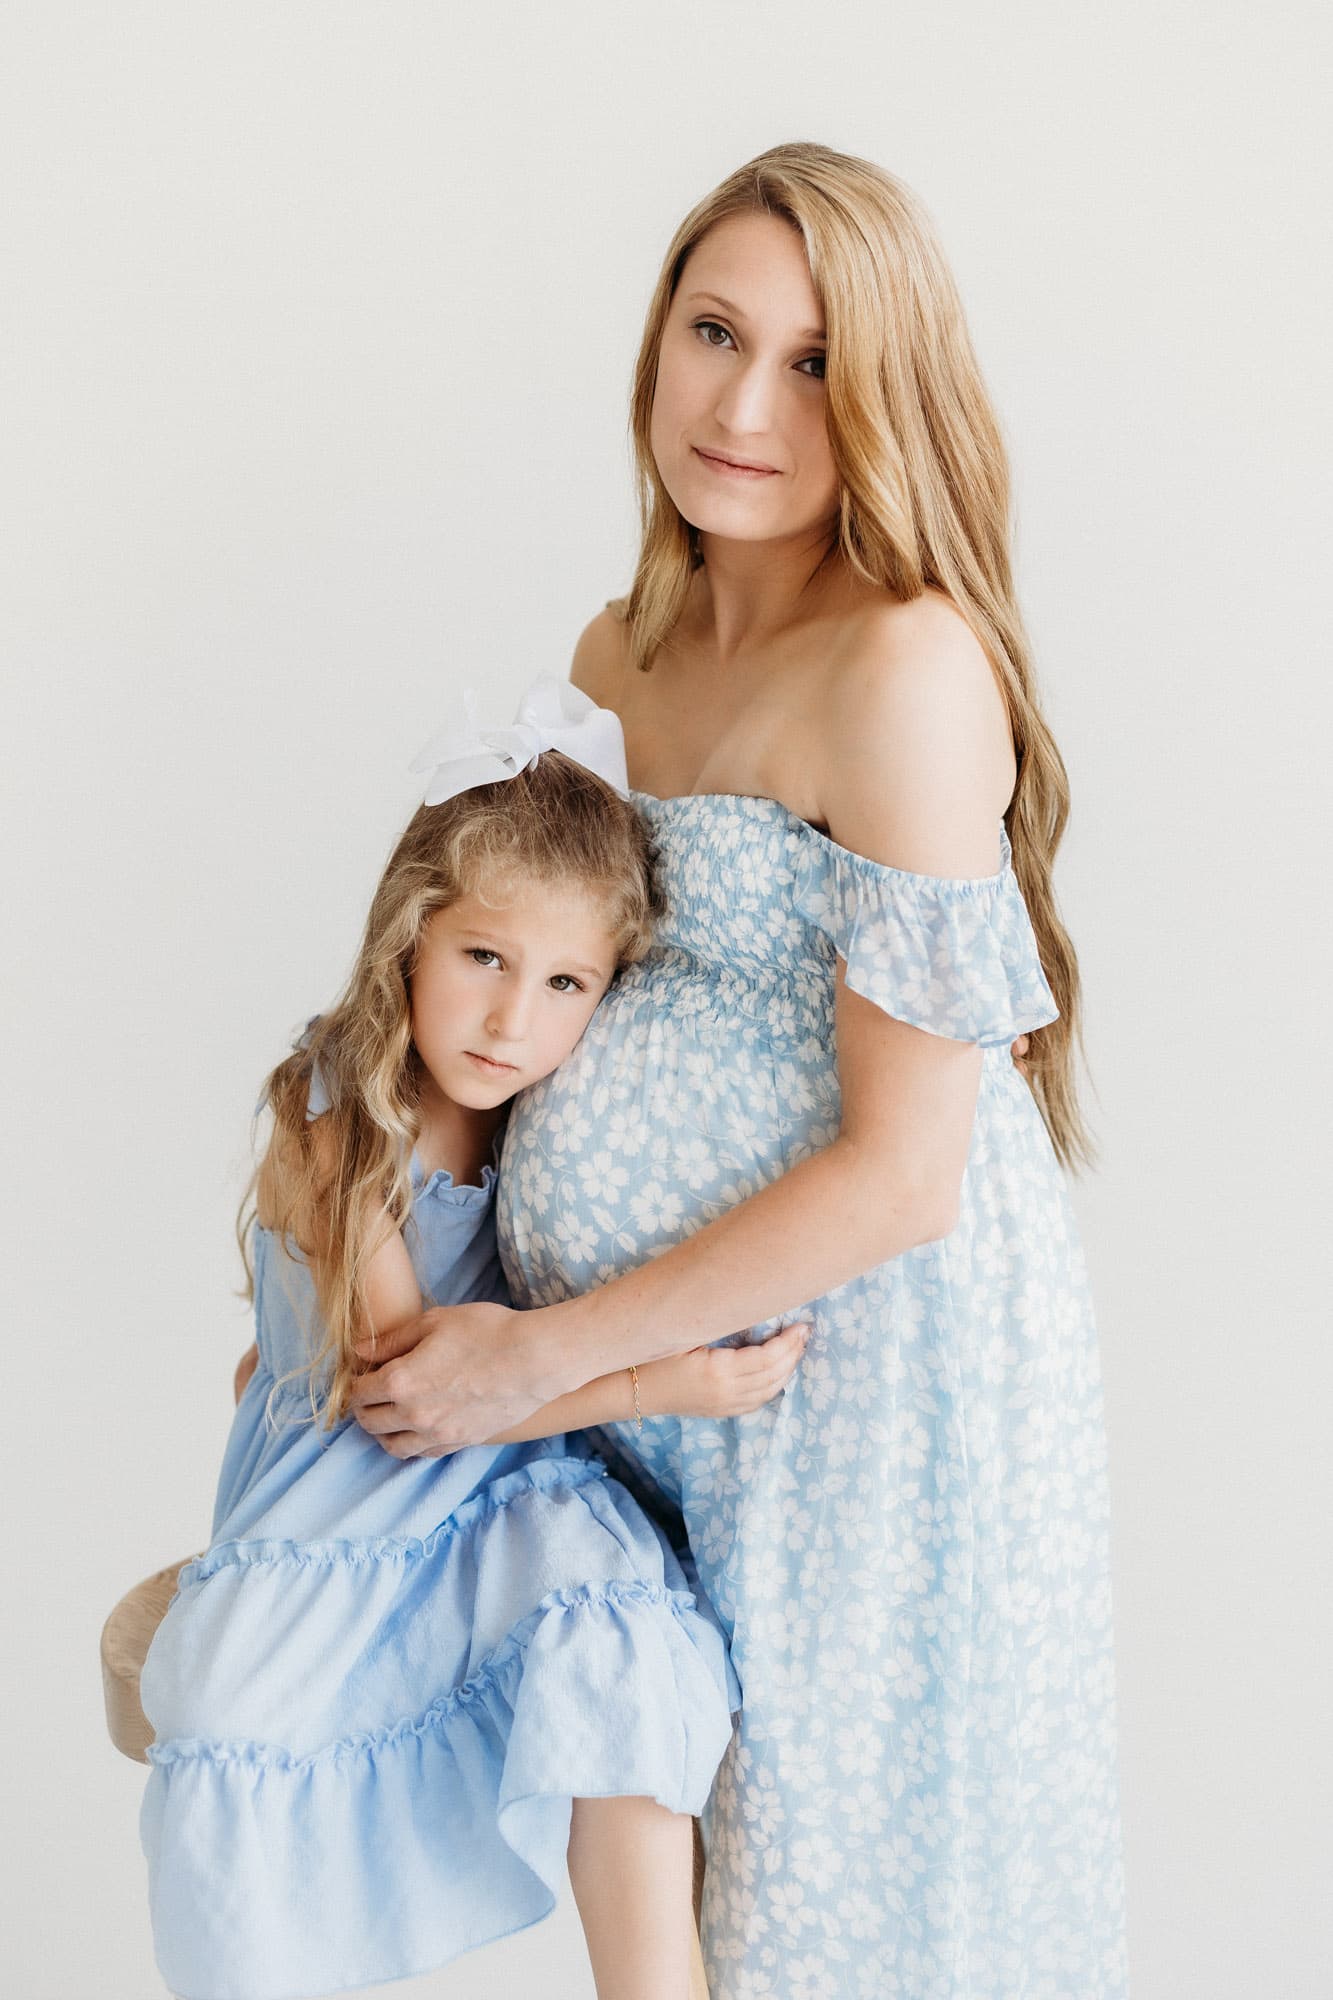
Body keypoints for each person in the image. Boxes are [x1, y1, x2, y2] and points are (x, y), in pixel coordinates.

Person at [347, 145, 1128, 1997]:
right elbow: (511, 995)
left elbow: (903, 1174)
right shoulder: (610, 658)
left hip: (870, 1398)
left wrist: (544, 1351)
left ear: (883, 401)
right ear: (656, 341)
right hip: (656, 1389)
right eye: (714, 329)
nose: (741, 401)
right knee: (678, 1894)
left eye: (809, 360)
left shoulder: (904, 669)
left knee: (843, 1910)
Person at [137, 678, 809, 2000]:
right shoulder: (339, 1102)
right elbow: (410, 1402)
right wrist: (653, 1379)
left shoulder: (548, 1112)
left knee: (623, 1641)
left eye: (566, 982)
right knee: (241, 1734)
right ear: (410, 935)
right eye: (483, 960)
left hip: (511, 1478)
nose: (513, 1021)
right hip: (362, 1490)